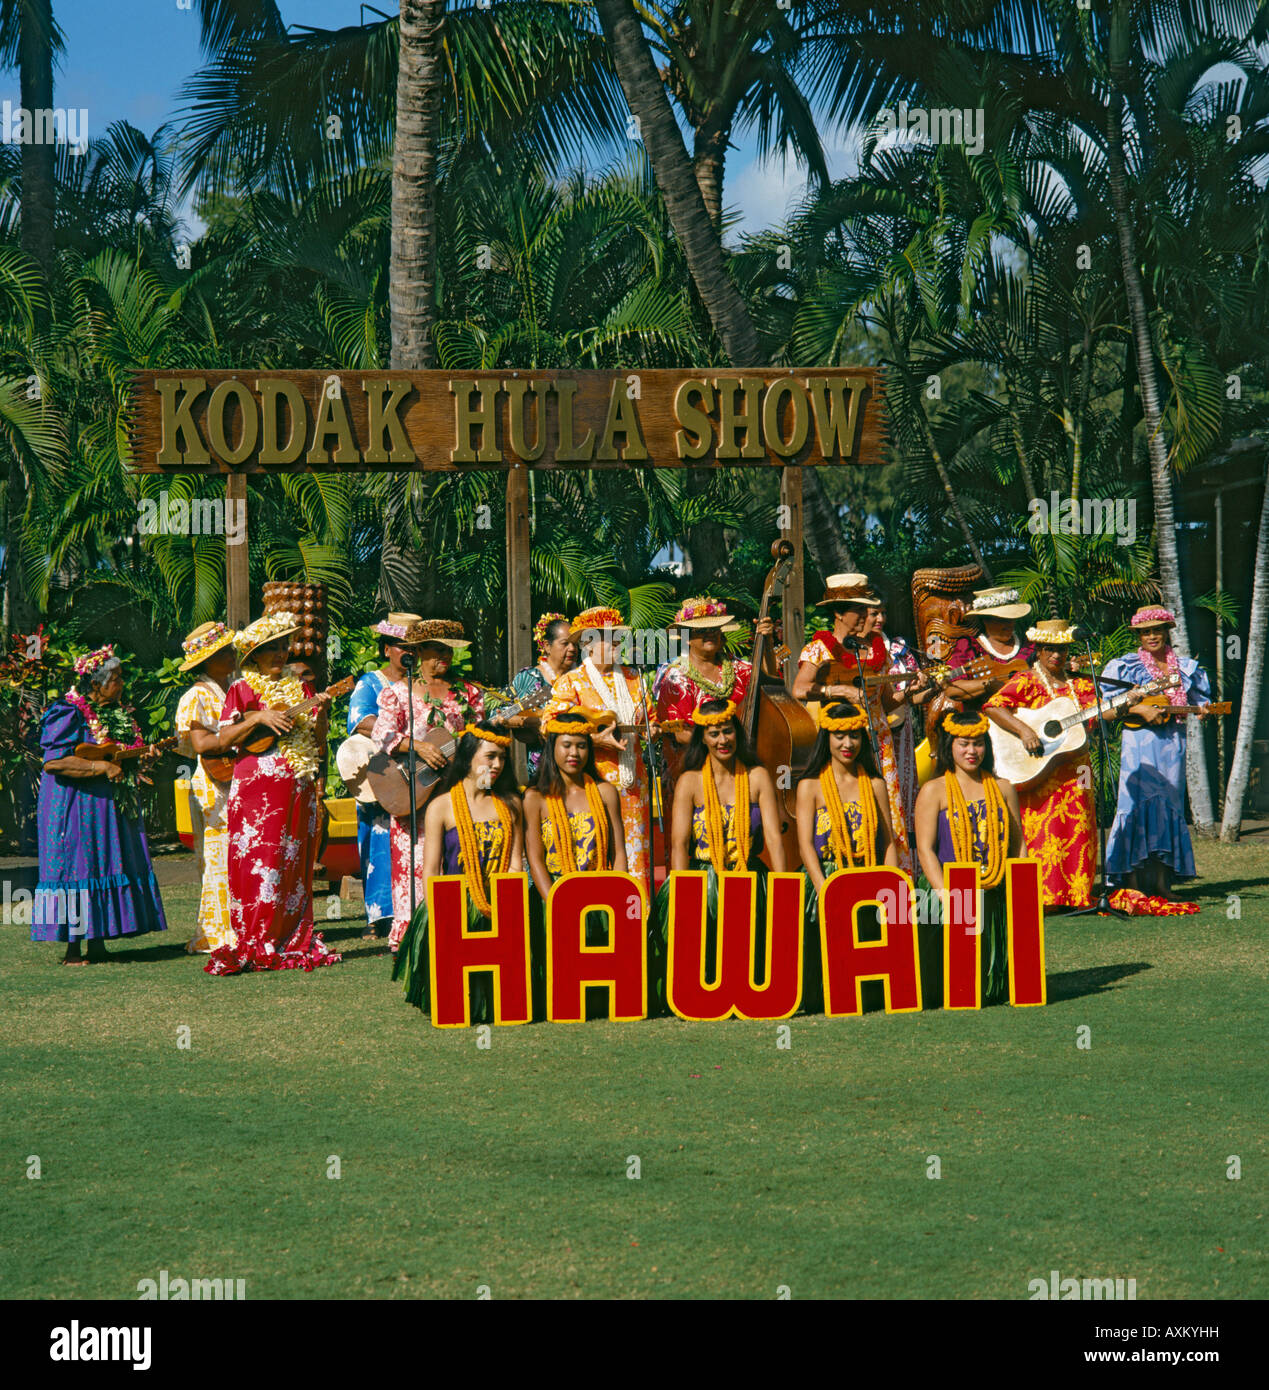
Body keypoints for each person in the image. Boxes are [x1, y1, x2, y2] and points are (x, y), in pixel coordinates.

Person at [205, 612, 340, 975]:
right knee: (259, 860)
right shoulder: (241, 689)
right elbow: (223, 739)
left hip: (297, 782)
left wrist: (323, 712)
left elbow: (318, 739)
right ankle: (255, 937)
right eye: (272, 649)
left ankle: (290, 937)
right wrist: (258, 718)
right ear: (254, 657)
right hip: (257, 789)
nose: (281, 654)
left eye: (284, 646)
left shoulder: (303, 686)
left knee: (292, 861)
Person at [32, 645, 168, 962]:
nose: (121, 684)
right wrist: (100, 768)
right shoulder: (69, 712)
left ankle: (97, 942)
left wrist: (143, 757)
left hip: (102, 807)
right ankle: (72, 949)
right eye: (116, 678)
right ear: (96, 684)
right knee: (76, 868)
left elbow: (118, 759)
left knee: (100, 865)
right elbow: (54, 763)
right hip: (70, 806)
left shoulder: (117, 715)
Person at [651, 699, 786, 1010]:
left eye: (727, 732)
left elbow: (775, 840)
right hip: (701, 874)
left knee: (753, 947)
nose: (722, 740)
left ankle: (752, 992)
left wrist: (782, 886)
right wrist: (682, 891)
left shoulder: (757, 777)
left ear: (737, 733)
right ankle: (700, 994)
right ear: (703, 739)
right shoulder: (690, 782)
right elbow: (680, 844)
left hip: (748, 874)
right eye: (713, 734)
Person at [392, 722, 525, 1022]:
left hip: (500, 907)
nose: (497, 764)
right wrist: (438, 914)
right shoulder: (441, 806)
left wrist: (508, 910)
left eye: (502, 757)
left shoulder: (511, 803)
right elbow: (431, 869)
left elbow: (516, 863)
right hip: (456, 908)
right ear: (467, 759)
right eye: (490, 756)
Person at [370, 618, 485, 951]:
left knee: (455, 857)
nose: (444, 658)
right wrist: (418, 746)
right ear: (418, 651)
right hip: (412, 791)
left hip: (453, 791)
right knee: (416, 864)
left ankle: (454, 933)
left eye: (448, 651)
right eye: (436, 650)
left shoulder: (468, 692)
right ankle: (412, 939)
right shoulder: (398, 692)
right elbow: (382, 734)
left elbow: (478, 735)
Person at [792, 573, 918, 875]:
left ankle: (891, 881)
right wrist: (838, 690)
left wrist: (909, 694)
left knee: (886, 811)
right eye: (859, 610)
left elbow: (886, 702)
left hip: (878, 741)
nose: (866, 616)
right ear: (838, 612)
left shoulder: (876, 650)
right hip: (839, 742)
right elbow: (798, 690)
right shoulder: (818, 650)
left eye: (868, 609)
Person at [985, 618, 1114, 908]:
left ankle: (1076, 894)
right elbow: (992, 706)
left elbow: (1096, 719)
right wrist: (1024, 730)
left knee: (1079, 824)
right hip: (1039, 767)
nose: (1057, 655)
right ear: (1039, 650)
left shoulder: (1080, 685)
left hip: (1078, 766)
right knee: (1042, 828)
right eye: (1049, 649)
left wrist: (1124, 704)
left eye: (1062, 650)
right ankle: (1042, 897)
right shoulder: (1025, 681)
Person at [541, 606, 659, 894]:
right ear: (588, 644)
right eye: (606, 638)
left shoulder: (634, 678)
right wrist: (593, 741)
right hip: (593, 784)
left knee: (636, 858)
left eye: (617, 638)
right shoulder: (571, 681)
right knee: (601, 852)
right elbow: (549, 727)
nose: (614, 644)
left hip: (633, 784)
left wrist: (652, 731)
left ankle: (639, 925)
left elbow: (650, 721)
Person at [913, 707, 1026, 1006]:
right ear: (950, 747)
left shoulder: (1003, 788)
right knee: (949, 983)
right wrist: (945, 895)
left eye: (978, 743)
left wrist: (1021, 895)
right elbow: (925, 849)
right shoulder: (933, 790)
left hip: (994, 889)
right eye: (963, 743)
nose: (972, 751)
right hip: (948, 891)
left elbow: (1017, 844)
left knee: (992, 986)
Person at [1102, 606, 1213, 900]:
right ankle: (1134, 884)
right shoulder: (1123, 667)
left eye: (1157, 629)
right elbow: (1107, 711)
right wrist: (1139, 708)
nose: (1152, 636)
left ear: (1167, 631)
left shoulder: (1186, 668)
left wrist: (1203, 712)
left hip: (1172, 744)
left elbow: (1202, 703)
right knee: (1136, 805)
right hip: (1139, 746)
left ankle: (1163, 884)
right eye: (1146, 631)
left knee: (1168, 807)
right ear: (1138, 635)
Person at [523, 709, 628, 1018]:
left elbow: (619, 852)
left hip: (600, 894)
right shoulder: (535, 797)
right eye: (566, 745)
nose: (574, 753)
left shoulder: (605, 792)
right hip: (554, 893)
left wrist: (617, 901)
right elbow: (536, 859)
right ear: (552, 747)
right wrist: (555, 903)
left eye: (581, 745)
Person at [794, 702, 896, 1012]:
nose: (847, 744)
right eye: (839, 736)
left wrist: (890, 886)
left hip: (865, 878)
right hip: (823, 878)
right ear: (826, 738)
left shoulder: (875, 784)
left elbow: (887, 841)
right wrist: (825, 888)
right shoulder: (809, 786)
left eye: (854, 735)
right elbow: (805, 846)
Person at [344, 612, 422, 939]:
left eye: (415, 646)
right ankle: (379, 917)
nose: (409, 651)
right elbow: (360, 720)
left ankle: (415, 911)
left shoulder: (424, 684)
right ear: (386, 648)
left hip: (418, 776)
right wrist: (402, 739)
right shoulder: (371, 682)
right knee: (379, 842)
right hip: (385, 774)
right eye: (401, 645)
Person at [654, 596, 776, 785]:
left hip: (741, 765)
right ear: (687, 638)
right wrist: (721, 744)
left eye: (714, 629)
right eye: (701, 630)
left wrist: (767, 641)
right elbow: (679, 733)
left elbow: (770, 678)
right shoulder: (675, 678)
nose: (709, 634)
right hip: (695, 770)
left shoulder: (740, 669)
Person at [173, 621, 240, 953]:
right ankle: (217, 932)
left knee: (238, 853)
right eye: (223, 652)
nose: (232, 655)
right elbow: (199, 744)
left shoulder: (235, 688)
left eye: (230, 649)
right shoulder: (197, 695)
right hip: (214, 782)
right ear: (207, 661)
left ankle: (240, 926)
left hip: (238, 778)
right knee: (216, 857)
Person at [510, 612, 579, 780]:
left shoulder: (583, 678)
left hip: (579, 764)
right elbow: (503, 714)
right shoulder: (529, 678)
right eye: (565, 644)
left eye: (575, 644)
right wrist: (539, 722)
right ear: (547, 646)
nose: (572, 649)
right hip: (542, 769)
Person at [942, 586, 1035, 703]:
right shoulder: (968, 647)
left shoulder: (1029, 644)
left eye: (1011, 618)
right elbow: (952, 690)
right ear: (985, 620)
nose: (1009, 624)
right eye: (1002, 620)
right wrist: (988, 685)